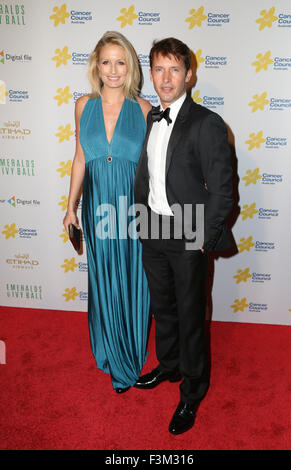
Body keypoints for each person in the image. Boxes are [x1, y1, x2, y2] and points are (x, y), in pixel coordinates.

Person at [134, 38, 233, 434]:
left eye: (175, 69)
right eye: (159, 69)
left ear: (189, 75)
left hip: (189, 231)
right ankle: (170, 365)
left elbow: (223, 191)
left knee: (191, 315)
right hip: (152, 227)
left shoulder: (207, 123)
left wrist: (203, 240)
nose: (166, 78)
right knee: (164, 308)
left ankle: (192, 392)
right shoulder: (150, 117)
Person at [63, 31, 151, 393]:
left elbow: (154, 166)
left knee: (134, 281)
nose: (113, 70)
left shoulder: (144, 109)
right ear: (96, 66)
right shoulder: (83, 105)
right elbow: (81, 157)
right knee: (104, 281)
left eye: (120, 62)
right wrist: (70, 207)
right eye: (106, 62)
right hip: (97, 208)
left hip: (133, 211)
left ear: (129, 66)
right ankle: (111, 353)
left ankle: (129, 353)